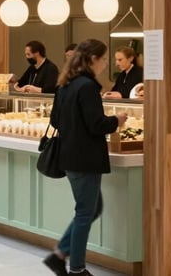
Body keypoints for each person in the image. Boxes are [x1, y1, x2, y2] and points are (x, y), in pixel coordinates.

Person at [43, 39, 127, 276]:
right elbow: (96, 124)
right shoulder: (88, 87)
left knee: (92, 208)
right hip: (85, 159)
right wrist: (116, 121)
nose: (105, 63)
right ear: (92, 59)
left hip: (68, 156)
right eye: (103, 59)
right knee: (85, 212)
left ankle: (59, 254)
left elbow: (55, 121)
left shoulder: (65, 84)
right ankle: (76, 268)